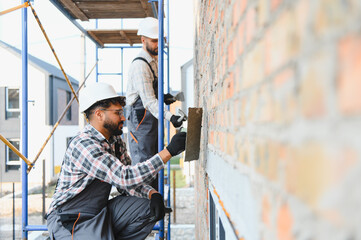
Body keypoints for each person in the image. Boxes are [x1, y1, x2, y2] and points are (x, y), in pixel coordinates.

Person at [46, 82, 186, 240]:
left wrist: (152, 194)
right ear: (99, 114)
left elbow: (129, 182)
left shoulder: (115, 140)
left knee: (147, 209)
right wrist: (169, 152)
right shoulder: (85, 145)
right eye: (118, 112)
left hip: (98, 211)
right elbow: (124, 177)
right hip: (70, 219)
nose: (123, 117)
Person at [126, 17, 184, 190]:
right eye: (154, 40)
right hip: (140, 119)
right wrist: (171, 117)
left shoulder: (155, 59)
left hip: (150, 117)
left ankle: (155, 202)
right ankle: (146, 208)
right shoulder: (140, 66)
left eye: (161, 39)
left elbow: (152, 95)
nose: (159, 43)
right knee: (145, 161)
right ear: (143, 40)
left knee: (156, 158)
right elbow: (149, 103)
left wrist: (164, 97)